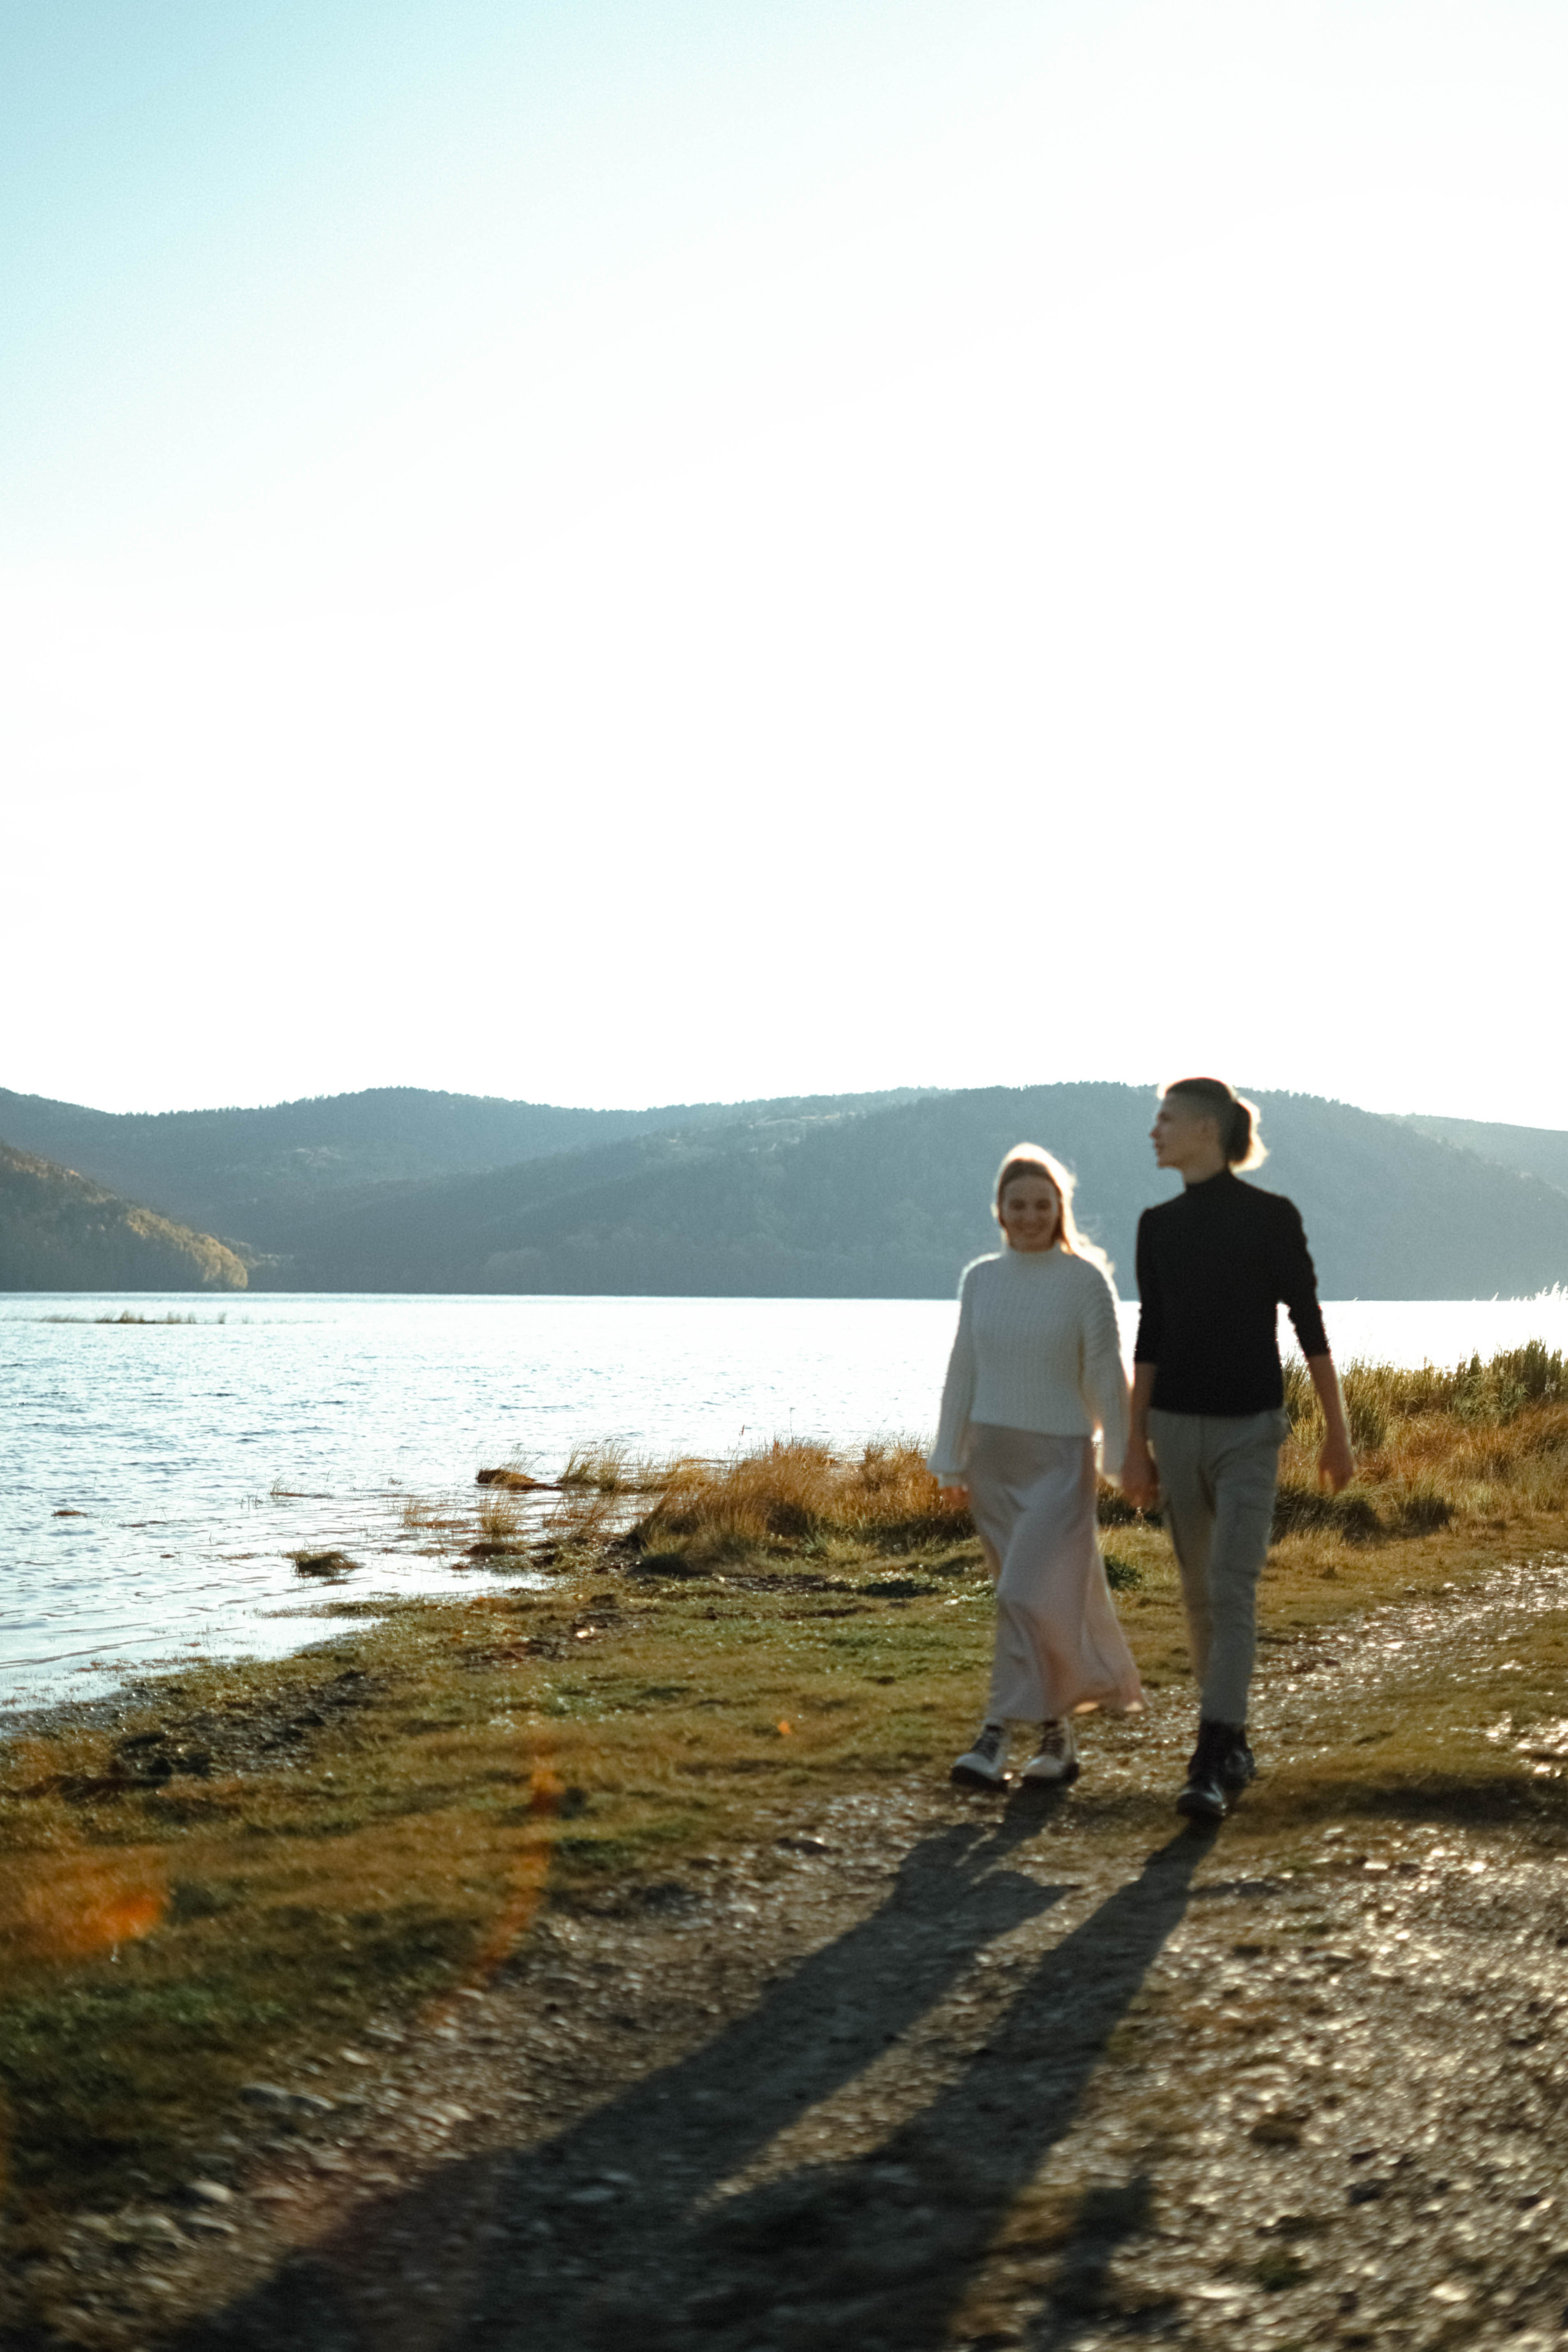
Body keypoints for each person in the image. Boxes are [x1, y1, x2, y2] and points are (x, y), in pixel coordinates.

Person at [1120, 1077, 1354, 1820]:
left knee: (1231, 1586)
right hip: (1173, 1428)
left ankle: (1211, 1751)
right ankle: (1235, 1737)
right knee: (1197, 1595)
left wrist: (1337, 1431)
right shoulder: (1156, 1225)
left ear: (1205, 1129)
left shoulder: (1271, 1218)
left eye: (1165, 1120)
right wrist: (1133, 1444)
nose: (1153, 1132)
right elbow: (1150, 1337)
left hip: (1251, 1430)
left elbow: (1308, 1323)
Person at [929, 1143, 1142, 1790]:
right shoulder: (980, 1279)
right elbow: (964, 1367)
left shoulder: (1084, 1282)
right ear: (999, 1209)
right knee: (1023, 1602)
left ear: (1059, 1211)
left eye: (1041, 1205)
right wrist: (948, 1455)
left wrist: (1122, 1455)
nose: (1028, 1216)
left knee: (1028, 1594)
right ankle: (1057, 1737)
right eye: (1017, 1204)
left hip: (1059, 1460)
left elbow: (1107, 1374)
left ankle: (996, 1733)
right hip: (993, 1461)